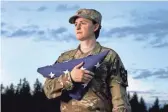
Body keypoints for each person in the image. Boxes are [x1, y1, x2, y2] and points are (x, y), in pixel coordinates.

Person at [43, 8, 131, 112]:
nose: (78, 27)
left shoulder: (109, 56)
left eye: (83, 23)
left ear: (95, 26)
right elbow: (48, 90)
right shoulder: (65, 58)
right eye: (75, 24)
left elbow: (120, 101)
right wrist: (70, 77)